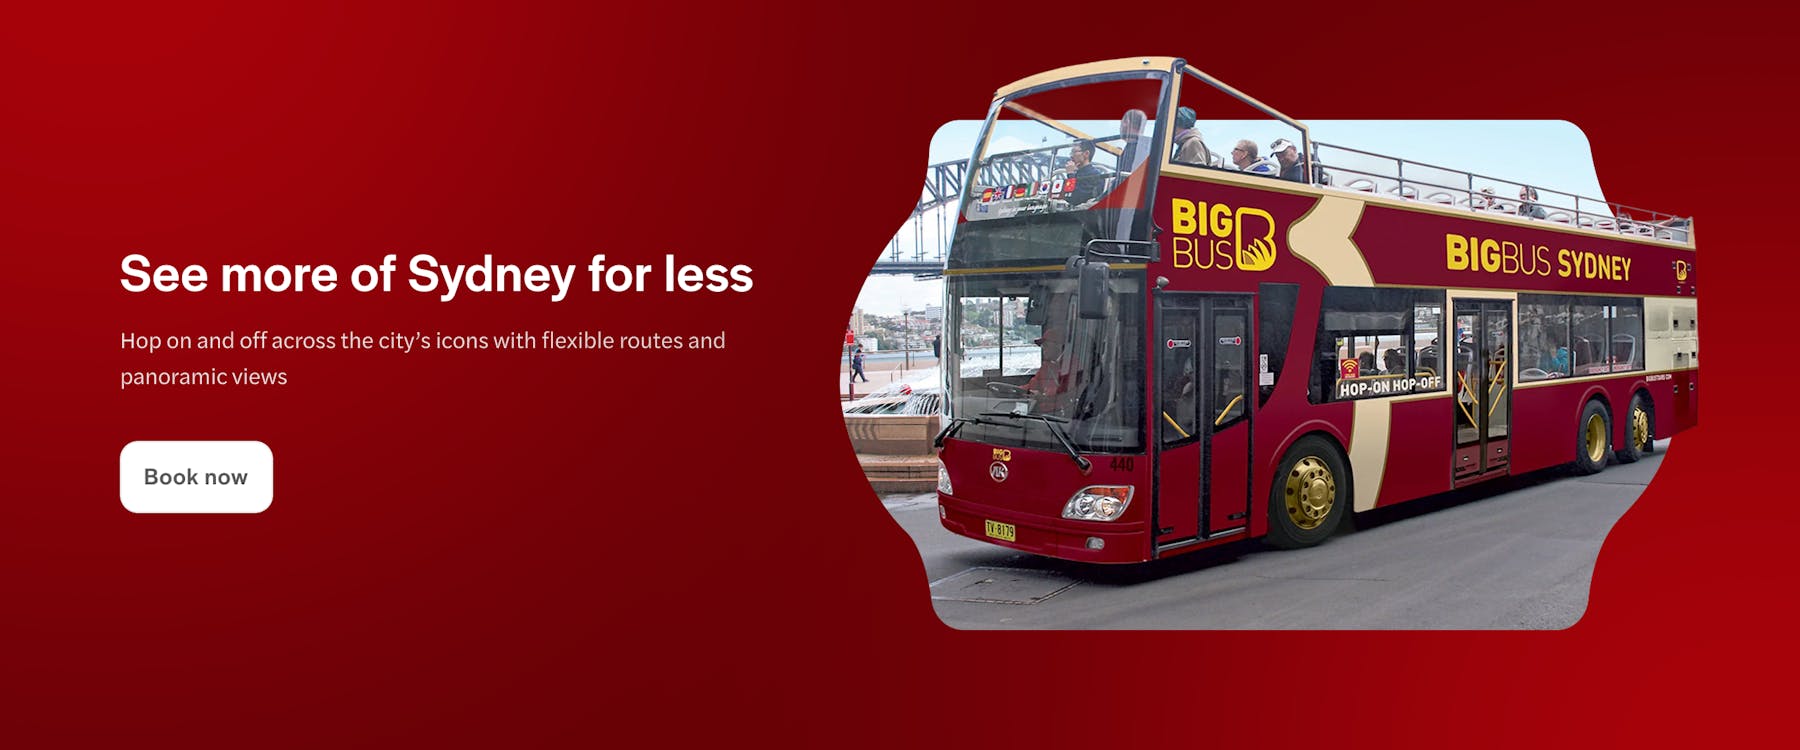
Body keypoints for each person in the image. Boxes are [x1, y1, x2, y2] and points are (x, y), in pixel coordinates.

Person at [1062, 139, 1108, 206]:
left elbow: (1076, 198)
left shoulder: (1095, 175)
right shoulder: (1077, 174)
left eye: (1074, 152)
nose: (1071, 156)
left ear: (1086, 154)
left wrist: (1070, 175)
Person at [1118, 109, 1150, 173]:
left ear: (1126, 122)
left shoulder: (1134, 150)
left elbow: (1125, 177)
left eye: (1121, 122)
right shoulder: (1145, 148)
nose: (1120, 127)